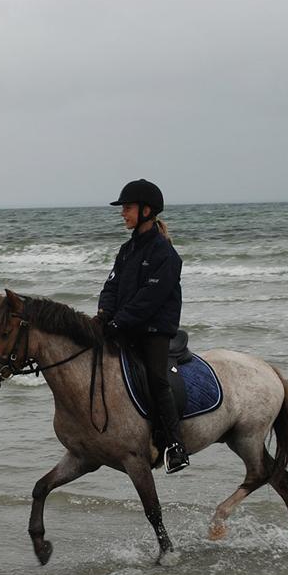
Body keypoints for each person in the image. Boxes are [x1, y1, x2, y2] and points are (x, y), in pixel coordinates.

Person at [96, 178, 190, 473]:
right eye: (123, 208)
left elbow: (149, 300)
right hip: (125, 326)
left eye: (128, 208)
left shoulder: (165, 254)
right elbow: (111, 287)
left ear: (147, 211)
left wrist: (118, 322)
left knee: (155, 379)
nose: (123, 213)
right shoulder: (126, 250)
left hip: (153, 330)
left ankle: (175, 446)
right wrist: (102, 315)